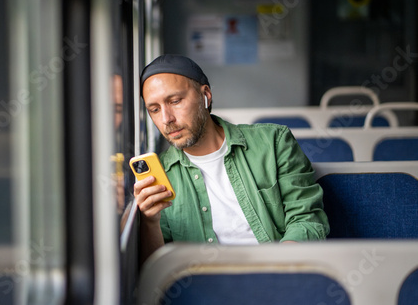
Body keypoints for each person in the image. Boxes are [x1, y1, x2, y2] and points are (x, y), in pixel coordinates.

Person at [134, 54, 329, 262]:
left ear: (205, 95)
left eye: (175, 101)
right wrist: (150, 222)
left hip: (280, 271)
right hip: (204, 287)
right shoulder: (160, 175)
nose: (166, 119)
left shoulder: (273, 142)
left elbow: (307, 219)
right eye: (154, 110)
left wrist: (278, 270)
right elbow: (156, 268)